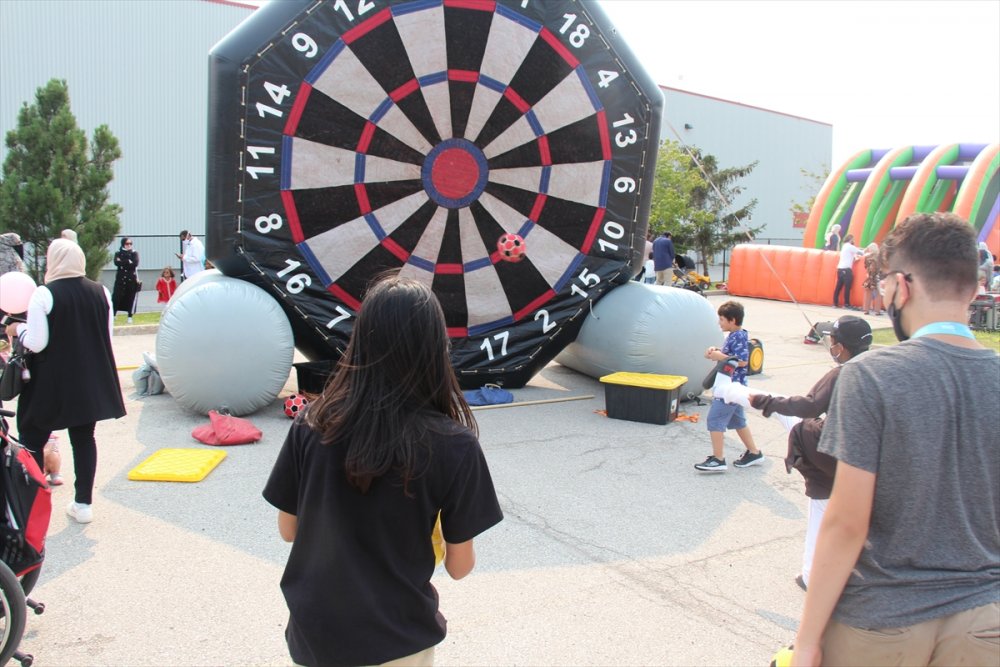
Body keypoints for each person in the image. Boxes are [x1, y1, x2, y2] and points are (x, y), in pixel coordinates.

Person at [791, 212, 1000, 667]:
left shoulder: (871, 375)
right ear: (974, 288)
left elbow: (846, 523)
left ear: (902, 286)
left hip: (881, 621)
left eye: (883, 282)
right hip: (985, 623)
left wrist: (807, 640)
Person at [263, 276, 503, 667]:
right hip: (398, 638)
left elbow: (288, 530)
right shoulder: (455, 444)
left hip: (314, 635)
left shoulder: (312, 422)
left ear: (360, 342)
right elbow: (460, 567)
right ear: (434, 350)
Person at [5, 239, 126, 524]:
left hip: (50, 381)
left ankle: (33, 504)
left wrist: (17, 328)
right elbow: (106, 337)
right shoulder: (102, 292)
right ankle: (83, 503)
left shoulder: (44, 294)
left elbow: (37, 342)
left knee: (32, 437)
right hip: (88, 378)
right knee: (84, 438)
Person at [746, 316, 872, 590]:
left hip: (837, 459)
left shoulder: (842, 373)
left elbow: (810, 406)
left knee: (821, 507)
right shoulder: (879, 367)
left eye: (833, 341)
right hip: (871, 459)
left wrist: (768, 402)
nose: (831, 346)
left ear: (840, 347)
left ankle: (812, 576)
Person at [694, 300, 763, 472]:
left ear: (732, 320)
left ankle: (718, 459)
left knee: (715, 420)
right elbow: (730, 355)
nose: (719, 323)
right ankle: (754, 452)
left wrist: (720, 356)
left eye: (722, 320)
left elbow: (742, 361)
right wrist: (716, 351)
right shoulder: (734, 336)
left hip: (730, 387)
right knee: (738, 420)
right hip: (732, 387)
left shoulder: (738, 336)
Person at [112, 237, 140, 323]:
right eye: (127, 244)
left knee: (130, 297)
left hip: (131, 279)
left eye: (130, 244)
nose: (129, 245)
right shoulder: (118, 253)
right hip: (120, 279)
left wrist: (124, 262)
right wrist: (128, 261)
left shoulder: (134, 253)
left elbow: (135, 264)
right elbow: (116, 263)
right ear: (123, 244)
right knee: (116, 297)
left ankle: (130, 316)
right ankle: (113, 314)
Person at [832, 233, 863, 309]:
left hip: (840, 269)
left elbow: (850, 255)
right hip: (846, 269)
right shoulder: (850, 247)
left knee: (838, 287)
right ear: (851, 239)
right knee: (847, 287)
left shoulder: (844, 247)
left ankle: (835, 303)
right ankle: (846, 303)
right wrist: (867, 249)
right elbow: (861, 252)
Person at [861, 242, 883, 315]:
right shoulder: (879, 257)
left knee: (867, 294)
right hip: (877, 276)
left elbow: (865, 266)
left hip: (869, 276)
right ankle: (877, 311)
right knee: (878, 294)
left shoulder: (867, 257)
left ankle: (866, 310)